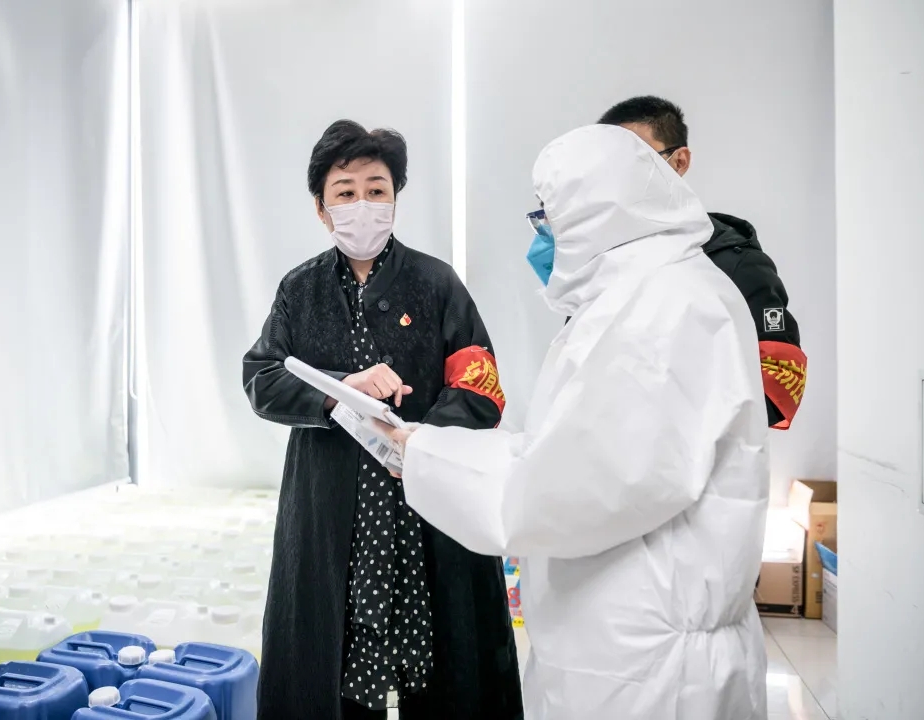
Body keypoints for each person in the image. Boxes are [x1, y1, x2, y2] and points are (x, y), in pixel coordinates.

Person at [383, 125, 770, 719]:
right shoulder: (642, 296)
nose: (540, 236)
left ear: (596, 213)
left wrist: (424, 455)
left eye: (546, 216)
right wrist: (427, 448)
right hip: (621, 640)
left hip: (649, 666)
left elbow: (581, 487)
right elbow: (571, 448)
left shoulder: (663, 308)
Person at [242, 119, 523, 720]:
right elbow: (261, 379)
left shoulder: (436, 282)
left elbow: (481, 384)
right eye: (345, 192)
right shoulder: (300, 289)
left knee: (443, 659)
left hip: (425, 497)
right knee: (333, 660)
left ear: (395, 199)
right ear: (321, 208)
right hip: (330, 506)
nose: (362, 205)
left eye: (377, 190)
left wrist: (420, 439)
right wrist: (338, 390)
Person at [598, 96, 806, 429]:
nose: (622, 177)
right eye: (610, 165)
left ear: (679, 161)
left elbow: (777, 392)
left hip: (697, 456)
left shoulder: (736, 264)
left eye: (639, 160)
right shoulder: (604, 262)